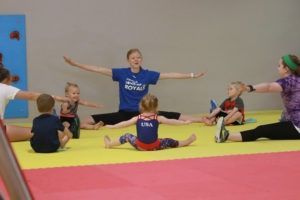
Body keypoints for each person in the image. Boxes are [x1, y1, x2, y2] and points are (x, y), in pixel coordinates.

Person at [63, 48, 212, 126]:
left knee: (174, 115)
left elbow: (169, 75)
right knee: (86, 120)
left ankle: (202, 119)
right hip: (125, 113)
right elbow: (98, 69)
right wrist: (76, 64)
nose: (136, 59)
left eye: (138, 57)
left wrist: (192, 75)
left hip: (145, 113)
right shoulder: (121, 73)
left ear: (141, 60)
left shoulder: (147, 75)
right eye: (133, 58)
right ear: (128, 60)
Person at [215, 54, 300, 143]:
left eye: (279, 65)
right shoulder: (296, 80)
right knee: (271, 129)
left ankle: (225, 136)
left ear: (286, 69)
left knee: (261, 130)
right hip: (293, 123)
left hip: (297, 127)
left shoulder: (289, 81)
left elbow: (268, 87)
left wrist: (249, 88)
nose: (277, 68)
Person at [104, 94, 196, 150]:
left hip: (140, 146)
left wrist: (113, 126)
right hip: (155, 146)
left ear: (141, 106)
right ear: (156, 107)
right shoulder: (158, 118)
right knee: (169, 141)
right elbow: (171, 121)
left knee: (127, 136)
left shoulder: (137, 118)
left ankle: (110, 144)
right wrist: (184, 123)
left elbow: (124, 124)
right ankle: (186, 142)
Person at [0, 66, 68, 142]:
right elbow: (32, 96)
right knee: (41, 132)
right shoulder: (5, 87)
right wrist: (59, 98)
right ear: (6, 80)